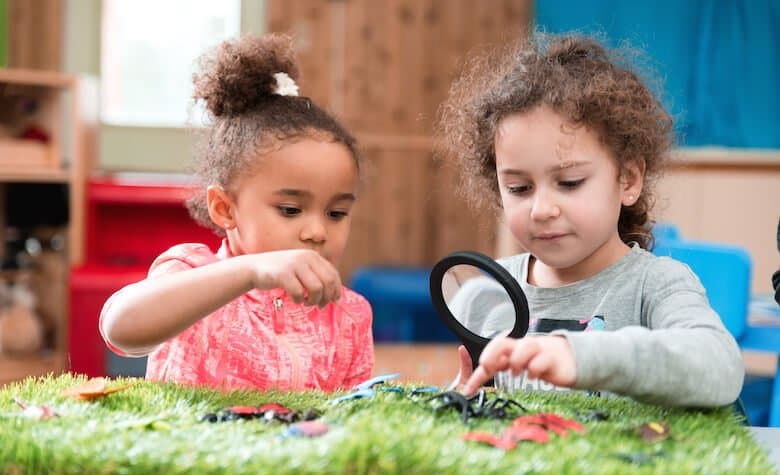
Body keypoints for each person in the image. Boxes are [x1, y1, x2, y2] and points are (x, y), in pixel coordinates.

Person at [437, 33, 743, 407]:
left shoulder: (656, 286)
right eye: (519, 188)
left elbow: (720, 366)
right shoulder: (487, 295)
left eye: (569, 182)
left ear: (628, 179)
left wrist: (582, 356)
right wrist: (464, 397)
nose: (542, 209)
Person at [99, 34, 374, 391]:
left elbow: (358, 420)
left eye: (336, 213)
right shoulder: (192, 272)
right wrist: (249, 271)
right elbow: (119, 328)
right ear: (224, 208)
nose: (317, 231)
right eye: (291, 210)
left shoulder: (349, 315)